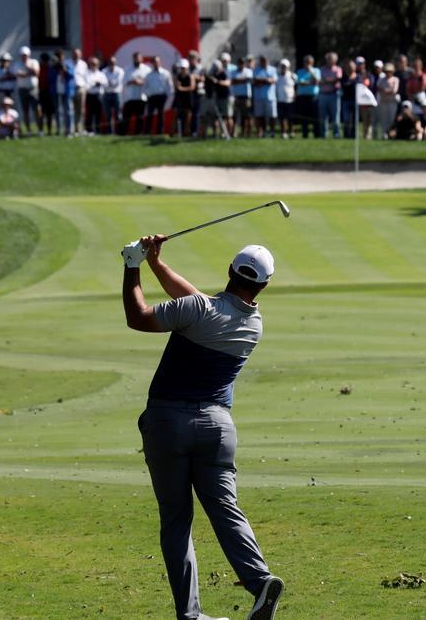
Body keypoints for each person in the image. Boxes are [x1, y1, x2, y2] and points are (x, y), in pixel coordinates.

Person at [120, 236, 285, 620]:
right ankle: (260, 582)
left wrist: (132, 266)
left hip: (168, 423)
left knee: (177, 518)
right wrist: (157, 266)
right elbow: (200, 303)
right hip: (217, 428)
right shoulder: (253, 324)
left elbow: (138, 317)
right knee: (225, 507)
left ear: (229, 270)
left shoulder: (198, 310)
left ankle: (191, 615)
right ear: (264, 285)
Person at [123, 52, 151, 136]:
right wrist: (133, 81)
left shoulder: (147, 69)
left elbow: (149, 82)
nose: (137, 60)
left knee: (140, 117)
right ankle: (124, 133)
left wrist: (141, 82)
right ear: (133, 59)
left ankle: (138, 133)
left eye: (138, 58)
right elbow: (124, 82)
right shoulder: (127, 69)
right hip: (130, 97)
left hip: (142, 97)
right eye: (135, 58)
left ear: (141, 59)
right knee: (127, 117)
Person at [143, 56, 173, 136]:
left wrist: (168, 95)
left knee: (161, 115)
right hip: (152, 97)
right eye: (154, 62)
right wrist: (148, 95)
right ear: (152, 63)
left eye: (157, 62)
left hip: (162, 97)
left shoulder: (165, 73)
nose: (156, 64)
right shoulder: (149, 75)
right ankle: (148, 132)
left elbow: (170, 86)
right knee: (150, 115)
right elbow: (145, 87)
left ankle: (160, 131)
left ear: (160, 62)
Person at [317, 52, 342, 138]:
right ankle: (324, 134)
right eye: (328, 59)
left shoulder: (338, 69)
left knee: (336, 116)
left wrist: (326, 81)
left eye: (331, 59)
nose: (329, 61)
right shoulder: (322, 69)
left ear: (335, 60)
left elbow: (337, 79)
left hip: (334, 95)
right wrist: (329, 81)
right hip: (323, 95)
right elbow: (319, 81)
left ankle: (336, 134)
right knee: (323, 116)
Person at [294, 55, 320, 138]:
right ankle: (305, 134)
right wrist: (310, 82)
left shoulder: (316, 70)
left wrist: (311, 72)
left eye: (309, 62)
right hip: (303, 97)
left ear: (312, 63)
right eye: (306, 62)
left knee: (315, 116)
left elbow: (316, 81)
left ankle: (317, 134)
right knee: (304, 116)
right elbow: (300, 83)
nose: (307, 64)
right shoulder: (300, 71)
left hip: (314, 96)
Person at [252, 56, 277, 138]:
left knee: (272, 116)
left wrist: (262, 80)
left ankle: (272, 131)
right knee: (260, 116)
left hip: (270, 97)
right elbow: (255, 81)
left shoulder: (273, 69)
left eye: (265, 60)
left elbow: (273, 80)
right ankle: (264, 132)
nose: (264, 62)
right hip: (259, 97)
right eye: (262, 61)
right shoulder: (256, 70)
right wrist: (266, 80)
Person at [375, 62, 400, 139]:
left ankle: (391, 134)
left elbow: (394, 90)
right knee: (384, 120)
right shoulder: (381, 79)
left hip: (392, 103)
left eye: (389, 71)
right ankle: (384, 135)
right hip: (383, 103)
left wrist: (385, 90)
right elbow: (378, 88)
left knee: (391, 119)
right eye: (386, 71)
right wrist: (387, 90)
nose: (388, 73)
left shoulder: (395, 79)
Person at [231, 55, 254, 138]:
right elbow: (233, 81)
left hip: (246, 96)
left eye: (242, 63)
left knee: (247, 116)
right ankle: (238, 132)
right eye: (240, 63)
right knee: (236, 115)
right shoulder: (234, 72)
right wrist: (243, 80)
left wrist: (238, 81)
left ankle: (248, 132)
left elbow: (248, 80)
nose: (241, 64)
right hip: (237, 96)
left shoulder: (248, 71)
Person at [102, 55, 124, 136]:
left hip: (116, 94)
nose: (112, 63)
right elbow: (103, 82)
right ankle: (110, 132)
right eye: (110, 62)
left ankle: (120, 132)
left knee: (118, 114)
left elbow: (117, 83)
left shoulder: (120, 71)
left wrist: (109, 82)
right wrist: (109, 83)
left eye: (113, 62)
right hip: (107, 94)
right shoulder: (104, 71)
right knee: (108, 115)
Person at [85, 56, 107, 134]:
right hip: (90, 95)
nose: (94, 65)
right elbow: (86, 85)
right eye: (92, 63)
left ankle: (97, 130)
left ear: (98, 64)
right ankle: (89, 130)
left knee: (98, 114)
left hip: (98, 96)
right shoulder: (87, 73)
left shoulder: (101, 74)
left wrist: (99, 83)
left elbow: (105, 84)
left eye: (95, 64)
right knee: (90, 114)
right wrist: (94, 84)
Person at [275, 59, 296, 139]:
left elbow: (296, 87)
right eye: (282, 66)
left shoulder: (292, 75)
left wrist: (294, 96)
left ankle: (292, 132)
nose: (283, 68)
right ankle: (284, 132)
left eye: (285, 66)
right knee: (282, 118)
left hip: (290, 100)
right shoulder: (277, 76)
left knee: (291, 117)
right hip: (280, 99)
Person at [71, 48, 90, 135]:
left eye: (78, 54)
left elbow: (86, 77)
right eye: (74, 54)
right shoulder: (68, 63)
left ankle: (80, 128)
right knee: (72, 109)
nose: (76, 55)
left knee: (81, 110)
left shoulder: (83, 64)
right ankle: (73, 129)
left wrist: (85, 87)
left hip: (81, 88)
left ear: (80, 55)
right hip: (71, 89)